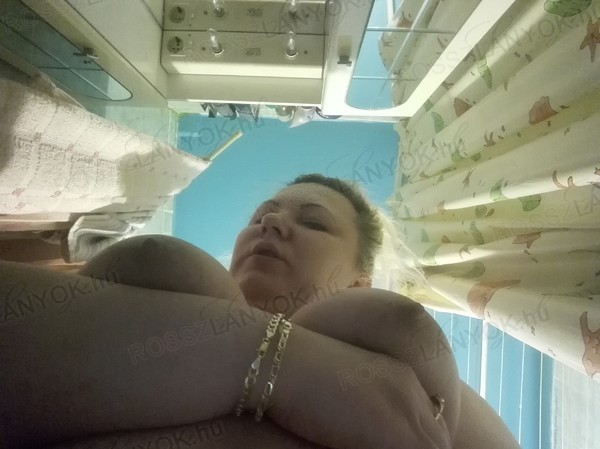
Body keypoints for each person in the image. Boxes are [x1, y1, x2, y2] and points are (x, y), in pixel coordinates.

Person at [0, 174, 520, 449]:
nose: (270, 224)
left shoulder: (403, 372)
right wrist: (276, 361)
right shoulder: (160, 289)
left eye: (313, 222)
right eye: (260, 216)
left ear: (359, 280)